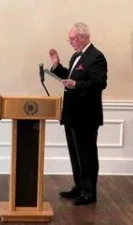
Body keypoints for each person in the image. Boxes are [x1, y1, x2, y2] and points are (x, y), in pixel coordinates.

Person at [49, 22, 107, 205]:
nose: (70, 42)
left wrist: (77, 85)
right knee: (75, 153)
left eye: (72, 39)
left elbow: (99, 83)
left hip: (87, 116)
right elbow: (71, 77)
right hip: (72, 114)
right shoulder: (76, 56)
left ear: (83, 37)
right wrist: (58, 67)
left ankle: (89, 193)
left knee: (87, 154)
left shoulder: (97, 57)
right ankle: (79, 186)